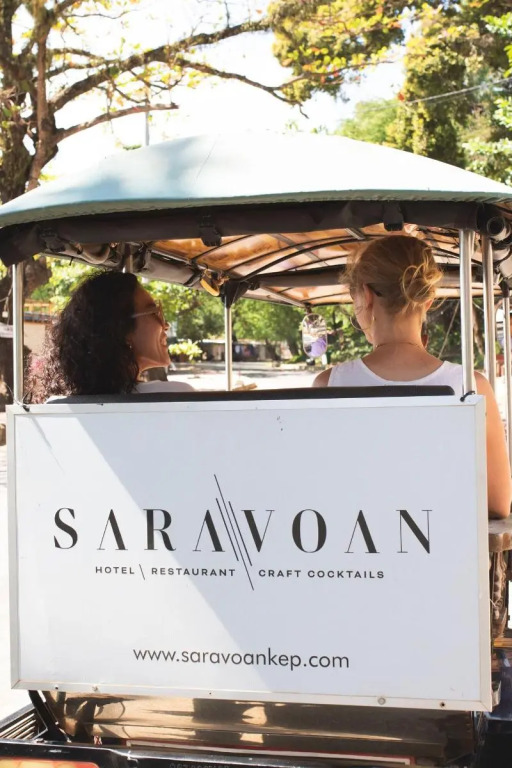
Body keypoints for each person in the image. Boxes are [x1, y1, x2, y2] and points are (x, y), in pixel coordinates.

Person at [313, 234, 511, 519]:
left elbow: (318, 492)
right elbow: (497, 505)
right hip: (445, 544)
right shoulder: (471, 385)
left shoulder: (329, 385)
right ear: (428, 300)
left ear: (366, 296)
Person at [30, 270, 193, 400]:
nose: (165, 324)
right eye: (154, 312)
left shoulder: (57, 405)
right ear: (121, 329)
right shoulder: (178, 397)